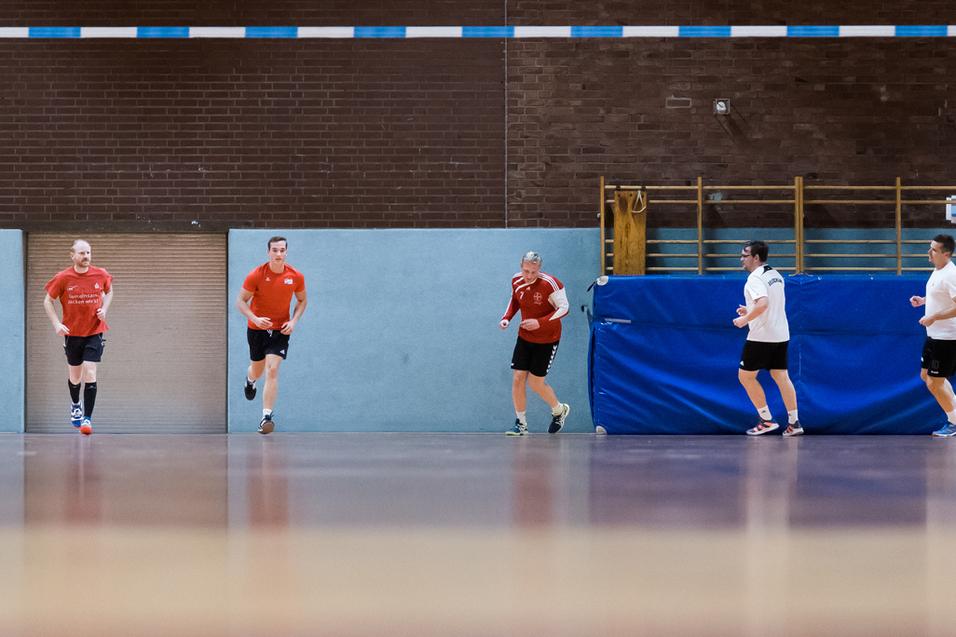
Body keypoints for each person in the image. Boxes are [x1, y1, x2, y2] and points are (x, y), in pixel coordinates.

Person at [236, 236, 307, 434]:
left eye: (282, 250)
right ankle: (250, 380)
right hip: (257, 329)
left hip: (280, 330)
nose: (278, 254)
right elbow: (241, 301)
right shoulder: (256, 275)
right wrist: (255, 318)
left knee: (273, 370)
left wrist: (293, 321)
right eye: (274, 250)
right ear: (268, 252)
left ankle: (266, 417)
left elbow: (302, 301)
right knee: (257, 371)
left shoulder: (296, 276)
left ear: (286, 252)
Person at [42, 239, 113, 435]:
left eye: (88, 253)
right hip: (72, 334)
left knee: (90, 372)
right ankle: (75, 404)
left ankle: (87, 419)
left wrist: (104, 309)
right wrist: (57, 324)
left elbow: (109, 291)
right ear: (72, 255)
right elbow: (48, 301)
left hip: (94, 331)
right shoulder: (63, 277)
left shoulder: (101, 274)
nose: (86, 257)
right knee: (75, 377)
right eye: (82, 253)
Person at [732, 240, 802, 436]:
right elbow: (770, 305)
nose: (741, 259)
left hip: (761, 335)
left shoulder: (754, 278)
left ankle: (766, 420)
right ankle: (794, 422)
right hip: (781, 333)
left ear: (755, 257)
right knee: (781, 376)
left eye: (745, 255)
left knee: (745, 376)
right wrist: (750, 309)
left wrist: (745, 319)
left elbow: (763, 303)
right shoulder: (775, 275)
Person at [499, 251, 570, 435]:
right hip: (525, 337)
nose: (529, 276)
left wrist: (540, 322)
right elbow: (515, 299)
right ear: (521, 267)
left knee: (536, 383)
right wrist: (507, 318)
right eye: (525, 271)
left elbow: (564, 308)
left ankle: (559, 410)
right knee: (517, 379)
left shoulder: (551, 284)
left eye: (533, 272)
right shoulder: (516, 280)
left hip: (547, 339)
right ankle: (521, 424)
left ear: (539, 269)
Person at [909, 234, 956, 437]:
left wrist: (934, 316)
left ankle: (954, 423)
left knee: (935, 382)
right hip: (933, 335)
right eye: (930, 248)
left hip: (947, 337)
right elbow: (940, 295)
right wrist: (923, 301)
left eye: (934, 250)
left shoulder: (951, 274)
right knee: (925, 376)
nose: (930, 252)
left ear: (946, 254)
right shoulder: (938, 271)